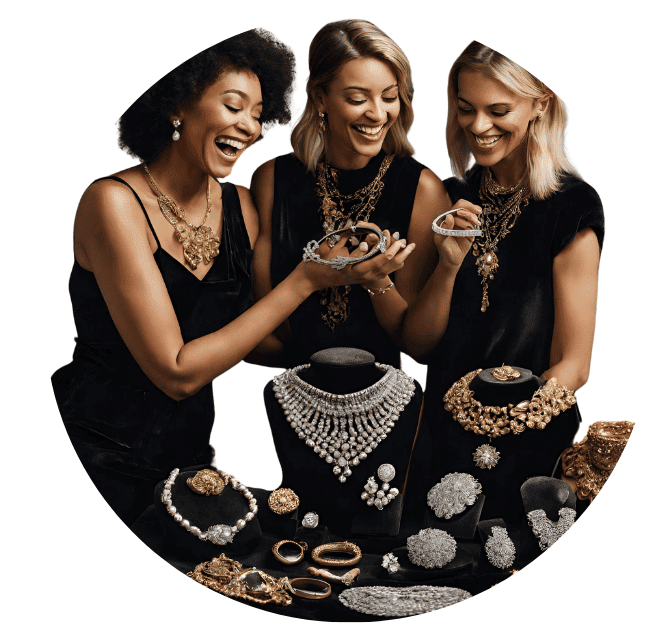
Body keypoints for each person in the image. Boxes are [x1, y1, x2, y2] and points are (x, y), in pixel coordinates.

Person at [51, 29, 407, 529]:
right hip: (97, 459)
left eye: (259, 114)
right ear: (177, 105)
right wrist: (304, 282)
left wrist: (361, 282)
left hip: (189, 465)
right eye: (234, 106)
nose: (250, 128)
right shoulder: (112, 204)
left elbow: (256, 342)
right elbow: (178, 372)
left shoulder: (240, 206)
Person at [403, 41, 604, 522]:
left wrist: (499, 428)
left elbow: (573, 365)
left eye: (498, 110)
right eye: (465, 109)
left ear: (541, 103)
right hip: (438, 439)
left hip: (528, 444)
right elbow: (420, 345)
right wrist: (449, 266)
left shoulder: (571, 206)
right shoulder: (449, 198)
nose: (477, 126)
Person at [250, 19, 450, 369]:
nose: (377, 113)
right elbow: (264, 327)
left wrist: (375, 280)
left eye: (389, 97)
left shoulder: (423, 189)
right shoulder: (272, 179)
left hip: (388, 405)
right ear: (320, 98)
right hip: (294, 400)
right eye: (358, 99)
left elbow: (418, 344)